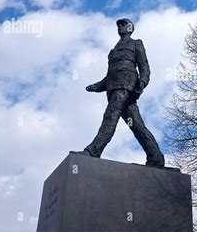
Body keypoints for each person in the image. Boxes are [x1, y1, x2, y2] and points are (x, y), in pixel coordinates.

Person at [70, 18, 165, 167]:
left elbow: (144, 66)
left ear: (130, 28)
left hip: (127, 86)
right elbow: (109, 75)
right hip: (113, 87)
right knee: (136, 125)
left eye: (123, 24)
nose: (120, 27)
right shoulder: (112, 52)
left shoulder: (136, 43)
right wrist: (97, 86)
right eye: (119, 25)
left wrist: (142, 81)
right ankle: (156, 157)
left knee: (110, 116)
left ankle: (93, 151)